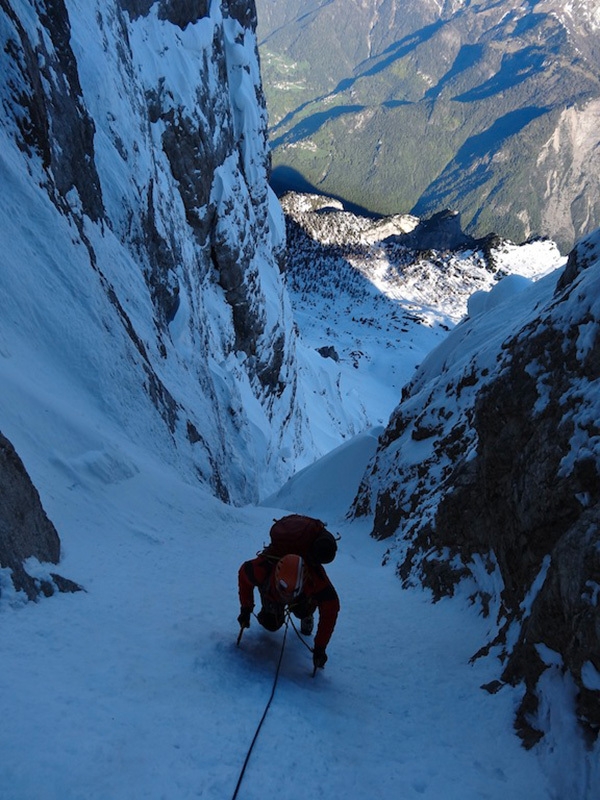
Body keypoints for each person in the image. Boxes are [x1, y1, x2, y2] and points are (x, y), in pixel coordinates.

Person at [237, 552, 340, 671]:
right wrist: (246, 609)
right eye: (284, 591)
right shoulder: (261, 569)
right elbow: (244, 576)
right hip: (273, 594)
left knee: (302, 611)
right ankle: (274, 609)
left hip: (302, 598)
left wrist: (320, 647)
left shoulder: (316, 580)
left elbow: (330, 610)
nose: (287, 596)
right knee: (270, 623)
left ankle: (307, 614)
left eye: (292, 593)